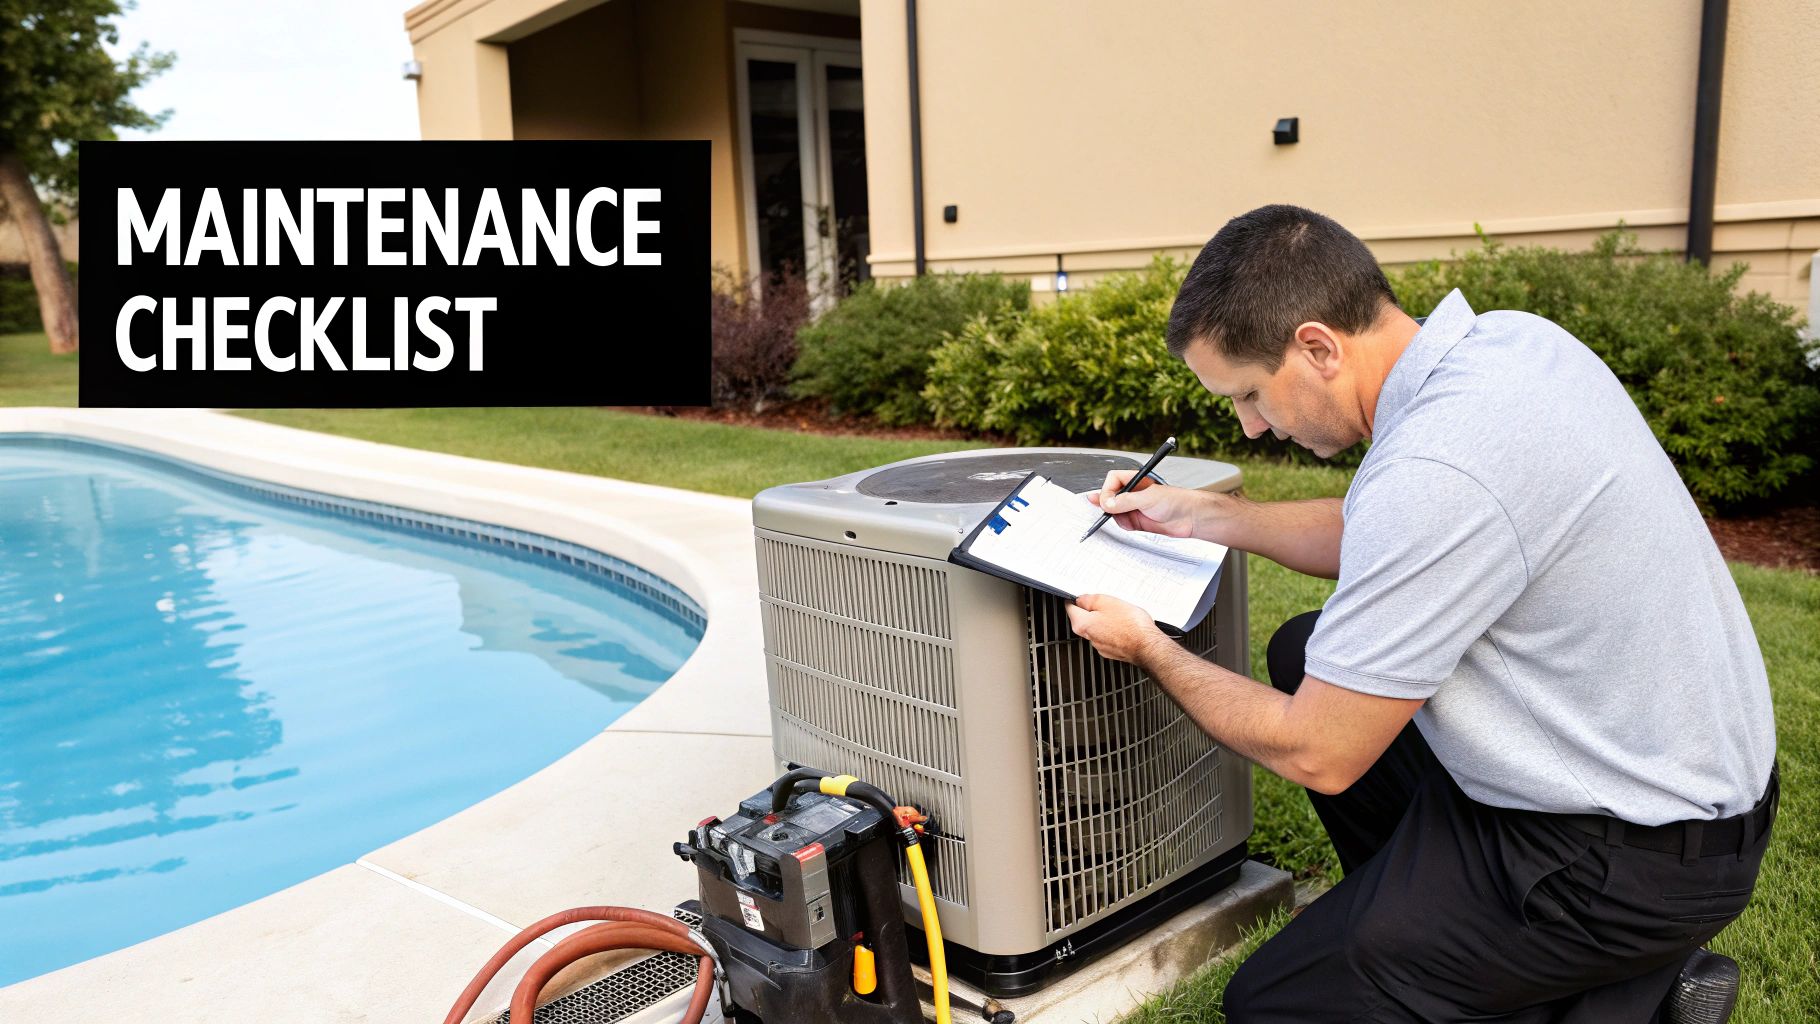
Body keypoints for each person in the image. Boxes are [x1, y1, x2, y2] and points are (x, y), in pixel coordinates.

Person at [1063, 204, 1778, 1022]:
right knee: (1307, 647)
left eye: (1251, 394)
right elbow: (1387, 527)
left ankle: (1626, 991)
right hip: (1684, 786)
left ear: (1318, 347)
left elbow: (1318, 753)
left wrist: (1152, 648)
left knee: (1277, 1003)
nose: (1252, 424)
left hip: (1626, 857)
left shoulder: (1437, 467)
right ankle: (1464, 948)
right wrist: (1203, 516)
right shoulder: (1509, 347)